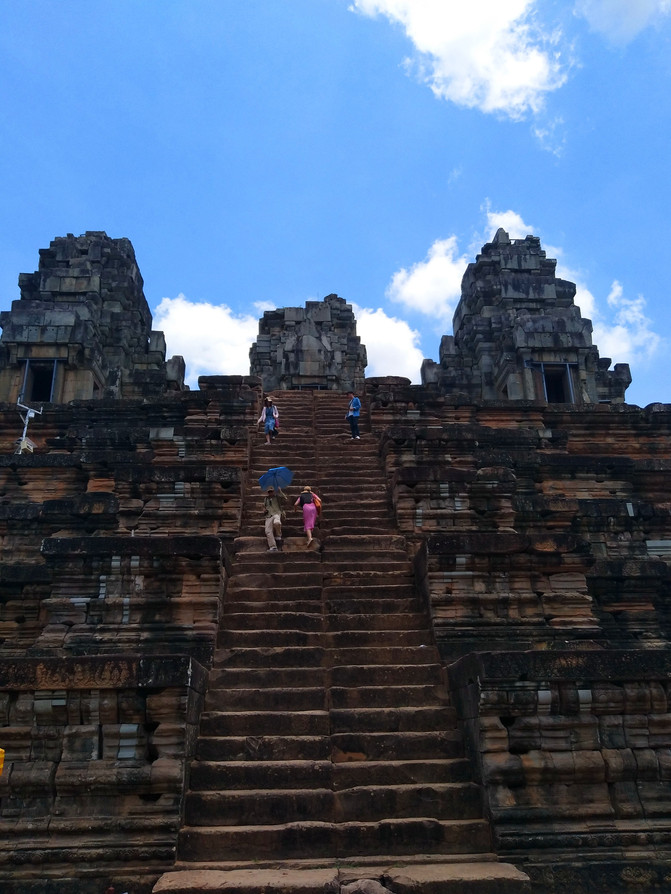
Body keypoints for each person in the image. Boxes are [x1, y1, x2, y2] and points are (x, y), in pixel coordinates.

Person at [263, 486, 286, 551]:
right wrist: (264, 510)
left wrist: (280, 491)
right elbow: (264, 506)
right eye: (269, 492)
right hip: (268, 515)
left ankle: (278, 535)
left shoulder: (277, 497)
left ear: (274, 491)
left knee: (277, 522)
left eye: (271, 491)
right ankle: (273, 546)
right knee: (268, 531)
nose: (270, 493)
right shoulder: (266, 499)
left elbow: (285, 499)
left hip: (276, 513)